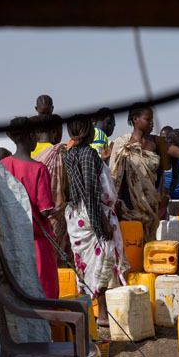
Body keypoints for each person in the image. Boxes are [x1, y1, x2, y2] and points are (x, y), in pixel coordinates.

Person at [62, 115, 130, 327]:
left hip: (77, 217)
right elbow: (91, 192)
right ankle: (102, 314)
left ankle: (93, 315)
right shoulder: (88, 155)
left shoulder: (69, 154)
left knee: (89, 266)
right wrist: (101, 224)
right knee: (103, 264)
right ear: (85, 131)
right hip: (93, 215)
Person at [0, 116, 59, 299]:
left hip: (11, 242)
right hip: (37, 245)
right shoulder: (39, 169)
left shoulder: (2, 166)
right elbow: (45, 209)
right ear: (31, 135)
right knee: (43, 294)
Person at [109, 104, 179, 240]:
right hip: (127, 205)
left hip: (150, 204)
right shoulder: (121, 144)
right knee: (131, 244)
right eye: (148, 119)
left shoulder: (157, 143)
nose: (152, 123)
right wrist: (117, 204)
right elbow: (115, 177)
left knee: (148, 245)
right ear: (135, 119)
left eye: (152, 119)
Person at [33, 114, 72, 266]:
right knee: (59, 263)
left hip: (36, 219)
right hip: (57, 217)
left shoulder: (30, 154)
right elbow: (68, 188)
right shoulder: (60, 152)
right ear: (55, 132)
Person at [163, 129, 179, 201]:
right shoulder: (158, 155)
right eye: (177, 150)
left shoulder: (176, 158)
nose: (178, 153)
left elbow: (175, 177)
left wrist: (168, 193)